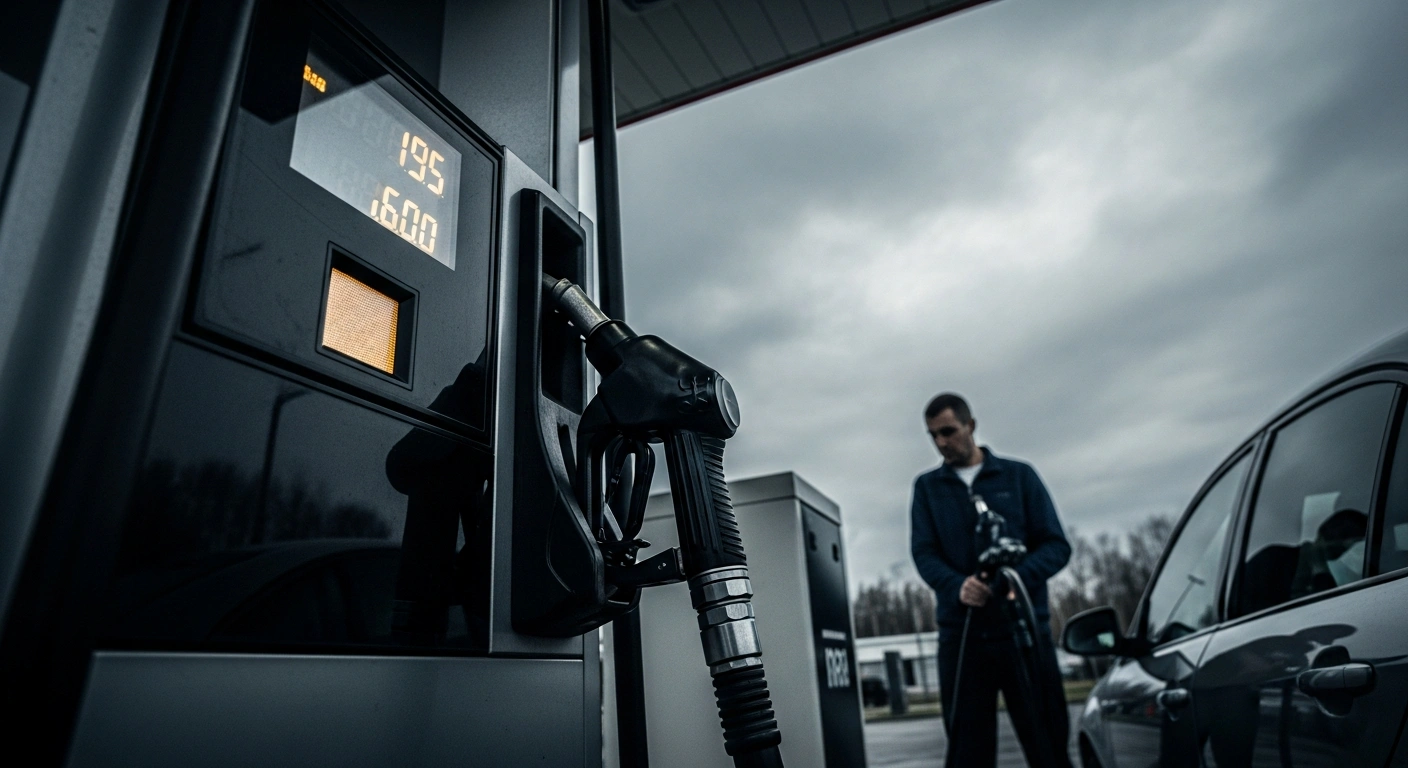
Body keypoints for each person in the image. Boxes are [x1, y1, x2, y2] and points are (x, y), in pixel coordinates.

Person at [910, 392, 1074, 768]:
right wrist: (957, 586)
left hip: (1024, 633)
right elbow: (924, 553)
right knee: (968, 752)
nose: (940, 442)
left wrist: (1018, 578)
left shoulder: (1019, 476)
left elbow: (1056, 545)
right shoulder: (927, 488)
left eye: (948, 431)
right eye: (932, 435)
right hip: (963, 637)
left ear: (971, 426)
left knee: (1048, 746)